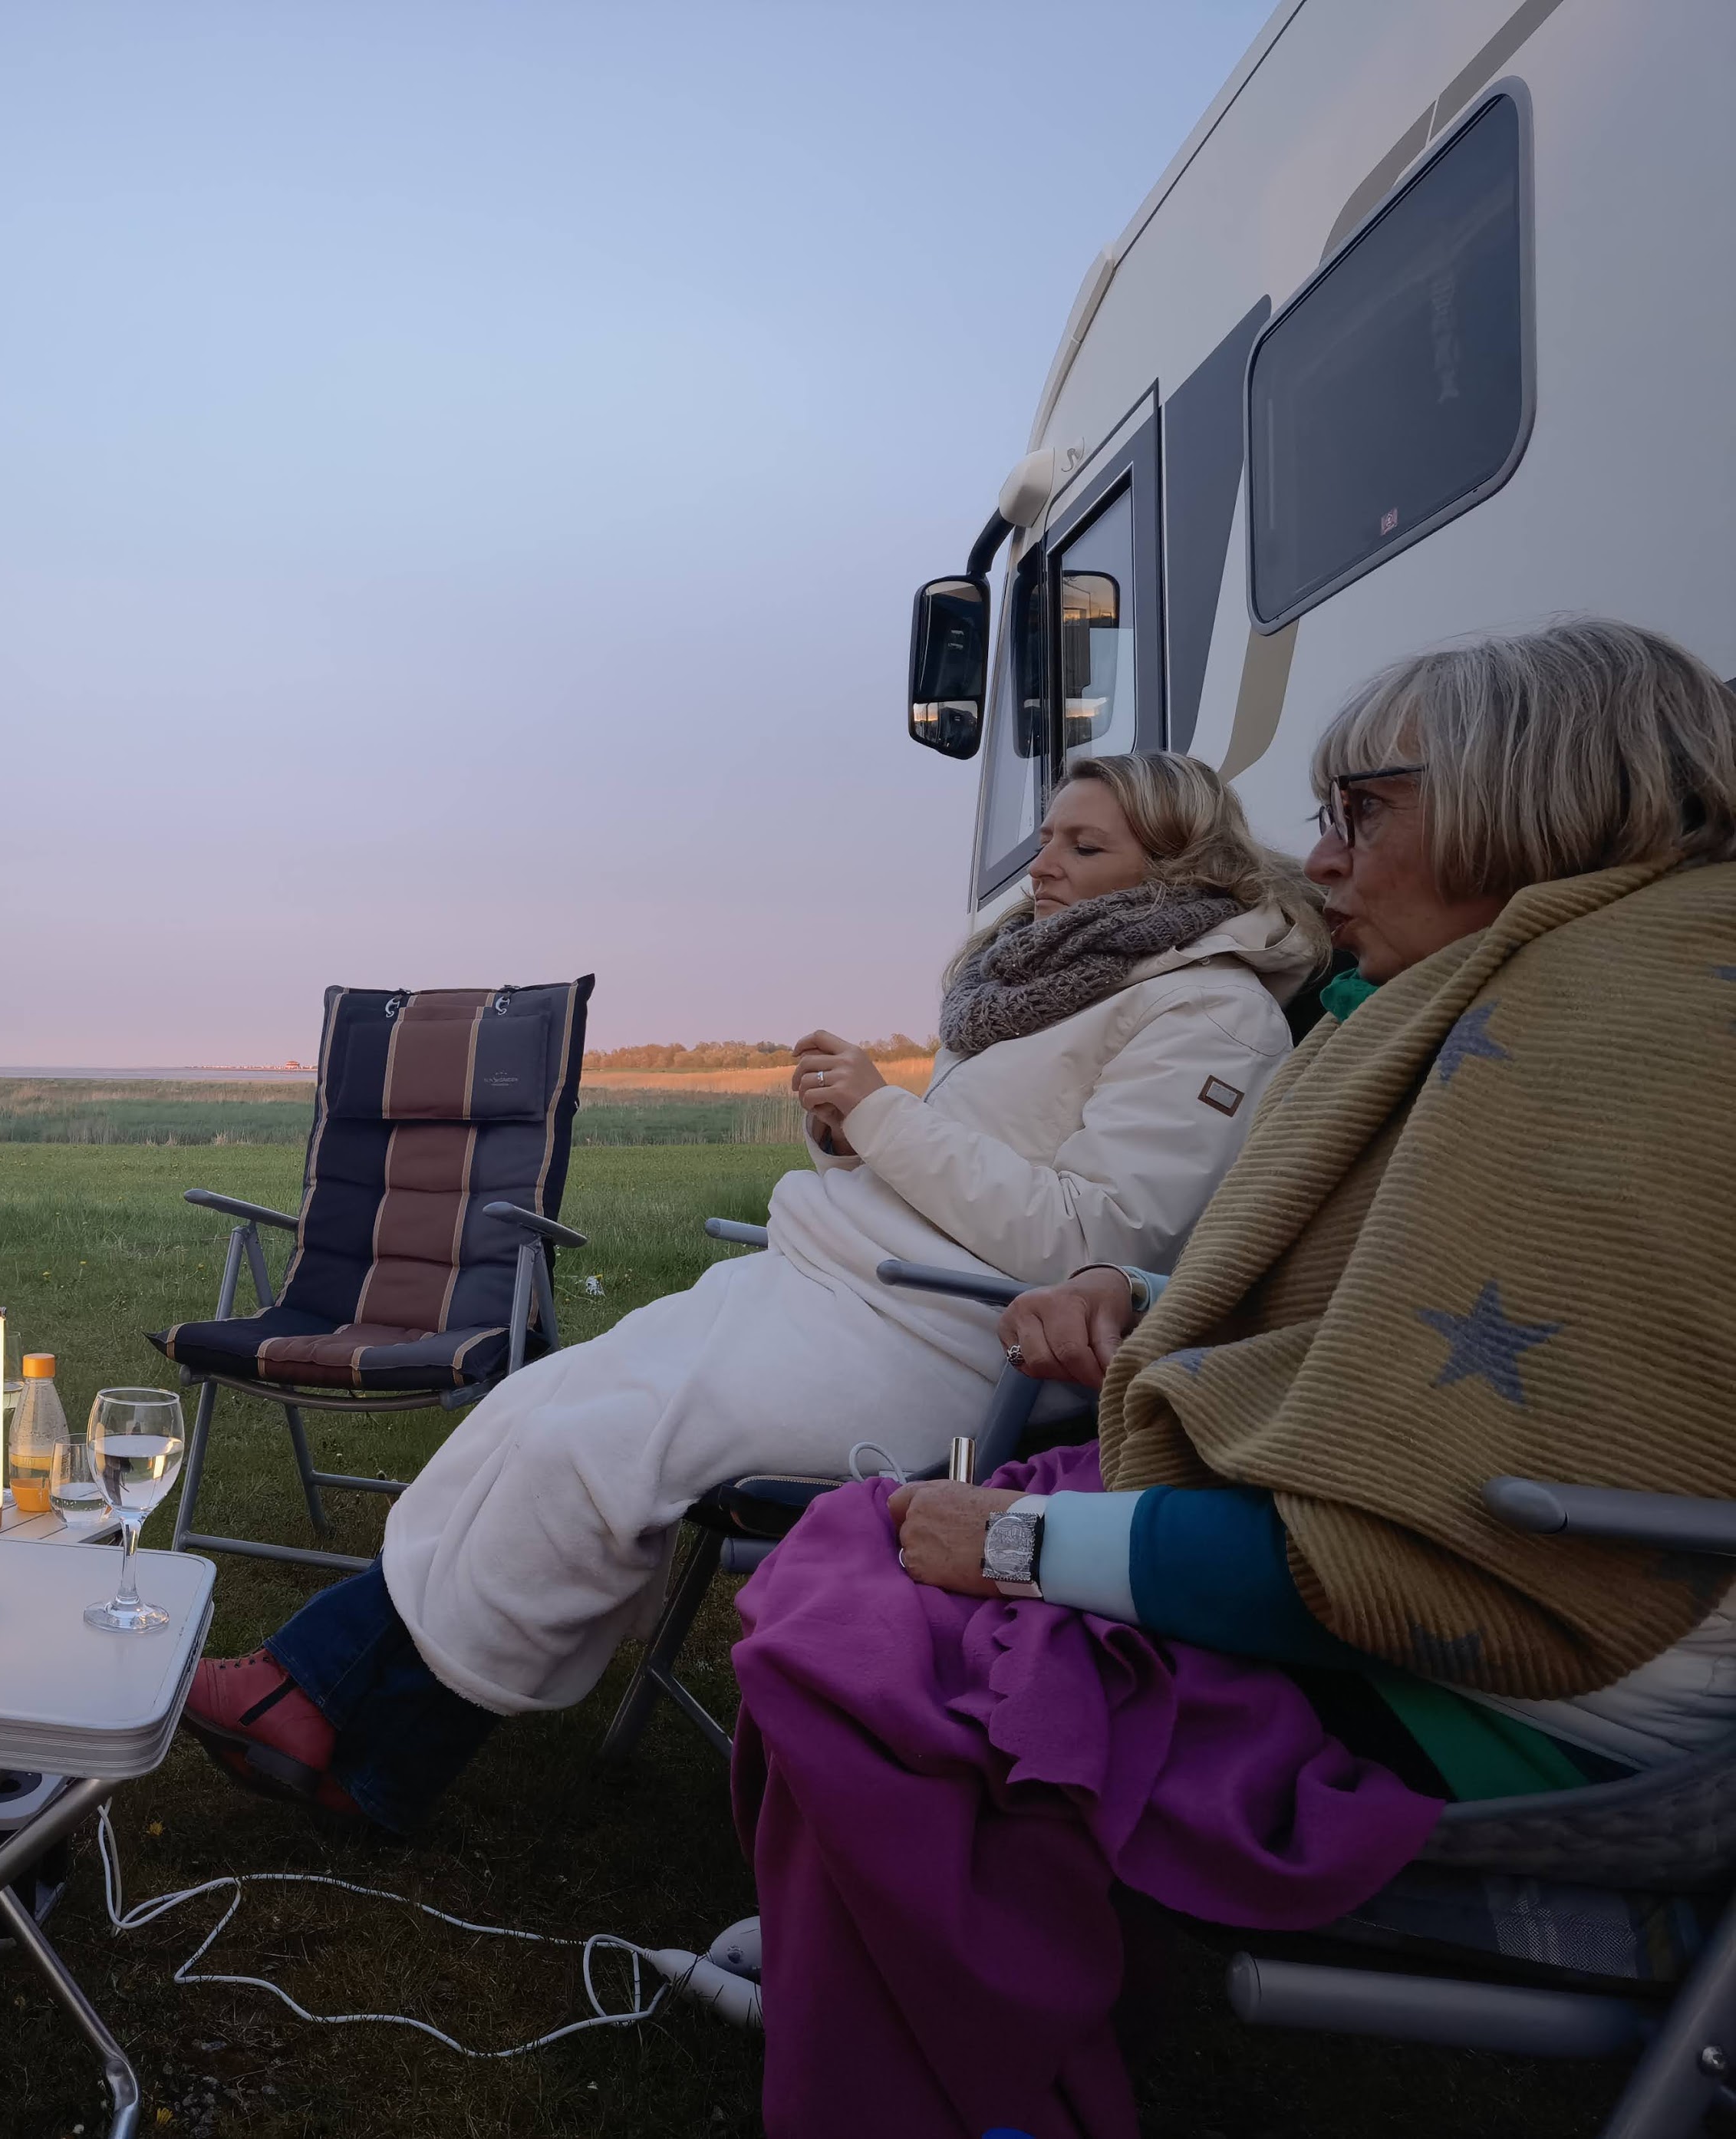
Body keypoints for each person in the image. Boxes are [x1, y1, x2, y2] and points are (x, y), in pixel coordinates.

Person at [730, 617, 1736, 2137]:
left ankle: (941, 2059)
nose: (1319, 863)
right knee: (857, 1562)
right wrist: (1148, 1298)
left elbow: (1435, 1542)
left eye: (1362, 811)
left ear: (1529, 798)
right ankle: (877, 1969)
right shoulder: (1538, 996)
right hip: (1382, 1555)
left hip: (1528, 1678)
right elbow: (1406, 1336)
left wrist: (1022, 1546)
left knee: (866, 1626)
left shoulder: (1611, 1049)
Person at [186, 751, 1328, 1831]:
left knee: (596, 1446)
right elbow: (975, 1164)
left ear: (1179, 865)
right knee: (534, 1404)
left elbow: (1092, 1239)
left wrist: (885, 1115)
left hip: (951, 1335)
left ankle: (349, 1734)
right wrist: (851, 1133)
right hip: (829, 1280)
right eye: (1047, 839)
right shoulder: (1058, 981)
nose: (1044, 867)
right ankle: (331, 1706)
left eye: (1086, 848)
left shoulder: (1209, 1015)